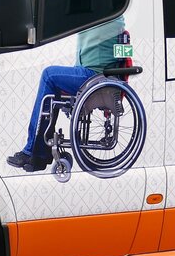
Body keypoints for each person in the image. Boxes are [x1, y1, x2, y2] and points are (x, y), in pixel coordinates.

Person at [7, 16, 127, 172]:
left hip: (93, 76)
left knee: (49, 75)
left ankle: (33, 151)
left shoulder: (105, 16)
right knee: (52, 84)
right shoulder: (111, 17)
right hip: (95, 75)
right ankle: (40, 153)